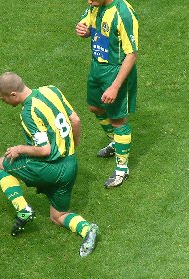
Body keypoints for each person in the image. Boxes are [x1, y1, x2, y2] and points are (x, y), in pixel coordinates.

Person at [0, 72, 98, 257]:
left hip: (51, 168)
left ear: (13, 95)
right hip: (70, 165)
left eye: (3, 99)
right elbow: (76, 120)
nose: (3, 103)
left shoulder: (28, 112)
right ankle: (87, 230)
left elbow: (44, 150)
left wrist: (20, 148)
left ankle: (23, 209)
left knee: (1, 164)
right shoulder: (52, 90)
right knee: (57, 216)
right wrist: (73, 144)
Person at [76, 0, 139, 188]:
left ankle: (122, 169)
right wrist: (85, 31)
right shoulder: (95, 5)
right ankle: (115, 143)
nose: (89, 1)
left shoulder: (124, 14)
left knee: (117, 119)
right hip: (97, 67)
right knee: (94, 107)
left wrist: (115, 86)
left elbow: (132, 54)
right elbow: (90, 25)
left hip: (115, 71)